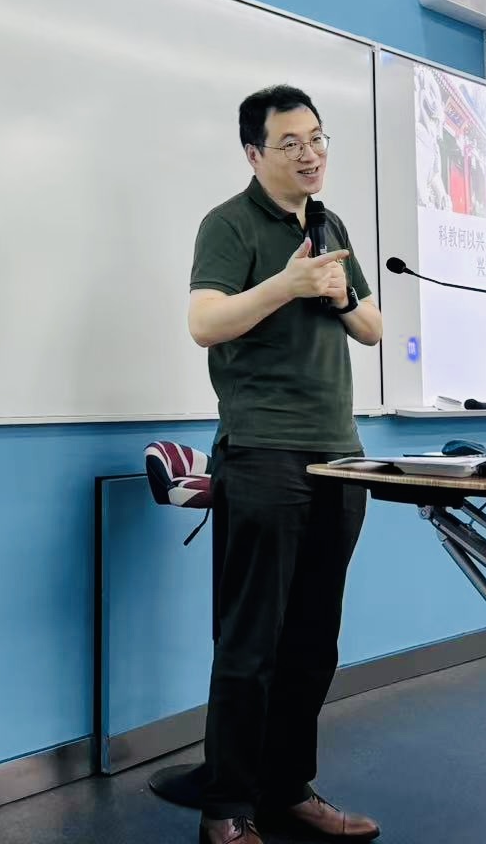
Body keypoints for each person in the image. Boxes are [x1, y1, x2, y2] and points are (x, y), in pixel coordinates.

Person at [187, 85, 385, 844]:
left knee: (312, 640)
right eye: (291, 143)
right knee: (250, 644)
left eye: (318, 138)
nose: (310, 154)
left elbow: (372, 328)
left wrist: (335, 296)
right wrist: (286, 284)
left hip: (338, 454)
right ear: (253, 154)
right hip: (264, 453)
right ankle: (227, 808)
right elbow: (204, 322)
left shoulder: (329, 225)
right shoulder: (229, 223)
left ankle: (286, 790)